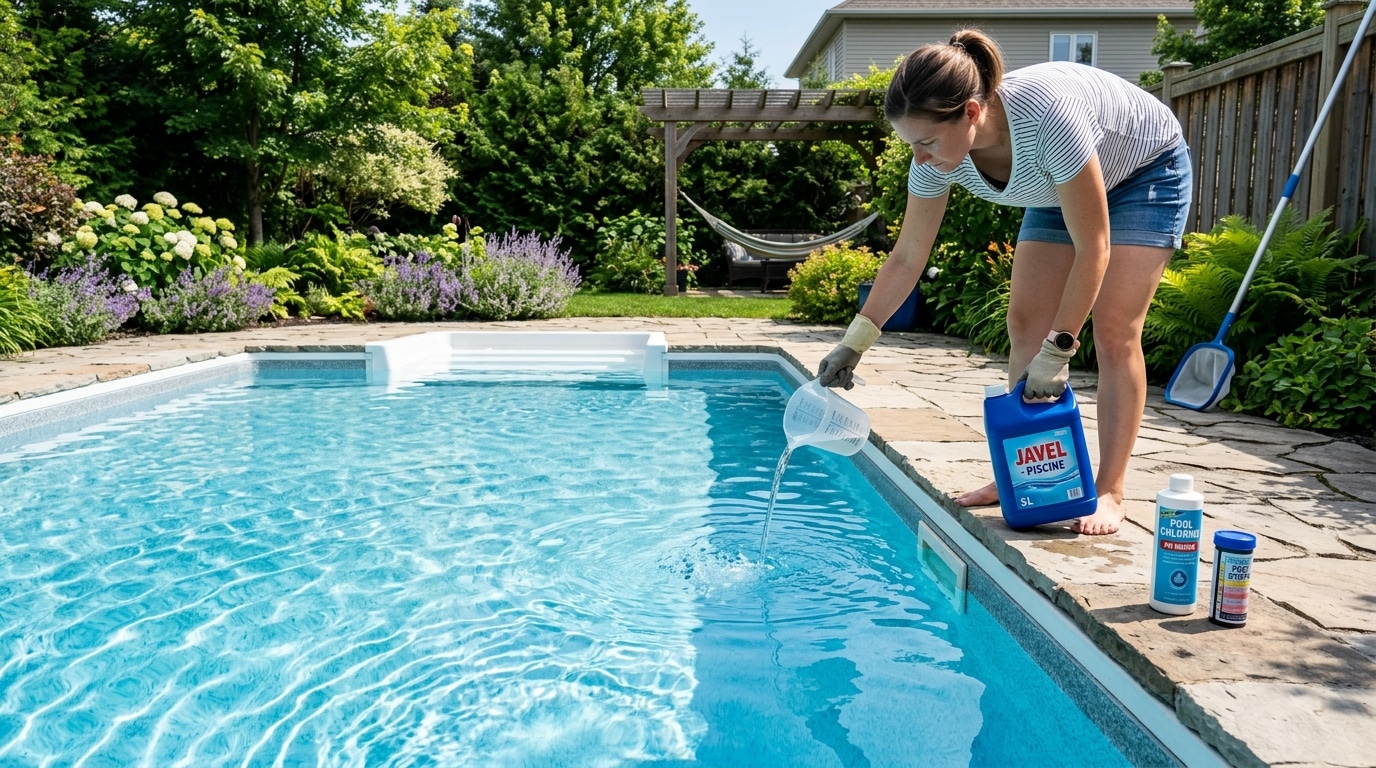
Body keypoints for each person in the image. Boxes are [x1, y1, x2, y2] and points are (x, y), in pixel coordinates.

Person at [817, 29, 1192, 536]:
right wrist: (853, 344)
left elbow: (1094, 247)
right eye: (912, 144)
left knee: (1113, 329)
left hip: (1146, 170)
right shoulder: (935, 158)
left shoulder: (1048, 119)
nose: (920, 157)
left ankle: (1110, 489)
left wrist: (1058, 353)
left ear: (971, 113)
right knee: (1025, 323)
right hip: (1058, 183)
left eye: (926, 141)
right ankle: (1022, 473)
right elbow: (907, 257)